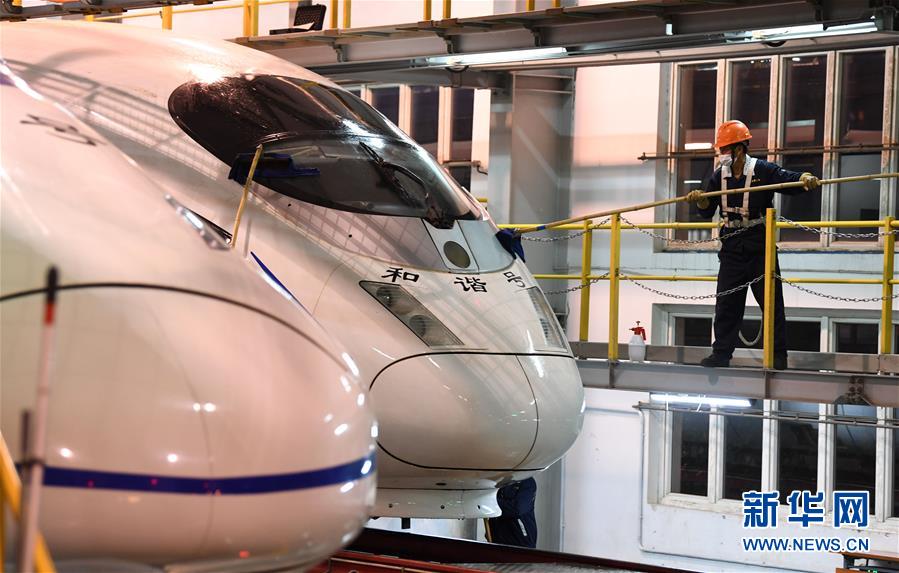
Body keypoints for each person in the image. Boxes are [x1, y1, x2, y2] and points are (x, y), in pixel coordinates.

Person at [686, 120, 819, 370]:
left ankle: (778, 355)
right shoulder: (719, 176)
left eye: (725, 149)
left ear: (740, 148)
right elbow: (706, 211)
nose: (722, 154)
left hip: (760, 247)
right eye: (721, 150)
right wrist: (700, 201)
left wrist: (804, 179)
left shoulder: (762, 170)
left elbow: (787, 180)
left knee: (771, 302)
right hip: (732, 248)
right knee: (726, 303)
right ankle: (721, 354)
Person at [486, 477, 537, 548]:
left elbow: (517, 508)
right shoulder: (498, 480)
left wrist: (490, 502)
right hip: (497, 540)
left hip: (521, 541)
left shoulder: (527, 481)